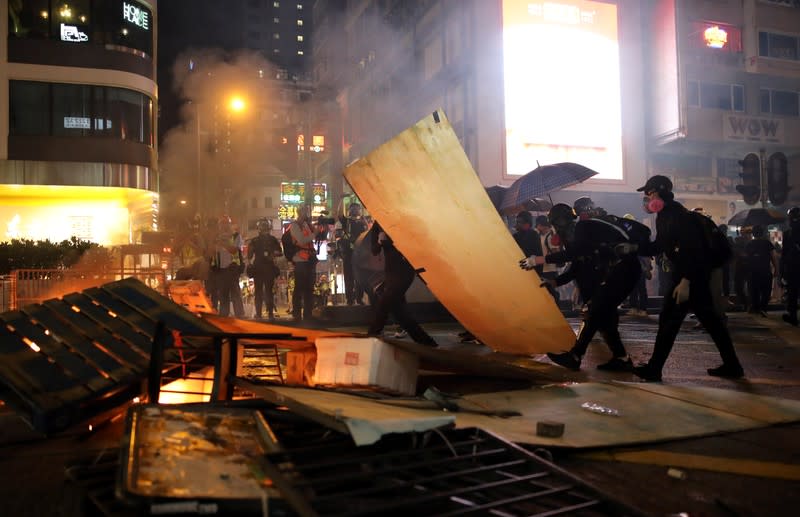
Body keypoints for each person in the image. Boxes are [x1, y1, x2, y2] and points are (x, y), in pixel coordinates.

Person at [628, 175, 744, 381]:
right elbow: (659, 246)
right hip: (691, 276)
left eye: (648, 194)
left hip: (688, 277)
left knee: (669, 322)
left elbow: (693, 250)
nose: (646, 199)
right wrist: (634, 248)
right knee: (712, 323)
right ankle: (733, 365)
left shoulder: (677, 216)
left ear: (658, 193)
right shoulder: (665, 215)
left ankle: (654, 369)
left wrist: (686, 281)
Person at [520, 203, 641, 371]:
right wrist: (554, 282)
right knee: (604, 318)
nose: (554, 229)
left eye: (554, 224)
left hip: (624, 269)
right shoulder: (577, 237)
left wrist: (537, 260)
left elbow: (574, 254)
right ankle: (621, 358)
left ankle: (575, 355)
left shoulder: (582, 229)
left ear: (562, 221)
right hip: (617, 271)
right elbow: (576, 266)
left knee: (595, 310)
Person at [367, 221, 437, 346]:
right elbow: (374, 251)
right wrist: (379, 241)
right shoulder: (378, 225)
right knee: (399, 311)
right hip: (390, 271)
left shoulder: (397, 219)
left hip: (405, 270)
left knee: (385, 303)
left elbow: (415, 240)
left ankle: (371, 335)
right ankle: (426, 341)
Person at [210, 215, 245, 318]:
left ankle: (239, 314)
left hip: (232, 269)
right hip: (220, 270)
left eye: (226, 224)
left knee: (235, 293)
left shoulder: (236, 236)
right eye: (222, 224)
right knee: (223, 294)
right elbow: (212, 253)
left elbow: (234, 250)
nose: (223, 226)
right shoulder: (216, 237)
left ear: (229, 225)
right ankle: (224, 315)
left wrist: (222, 243)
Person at [287, 205, 318, 322]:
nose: (307, 215)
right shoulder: (294, 226)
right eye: (305, 212)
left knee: (309, 289)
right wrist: (314, 233)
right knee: (299, 288)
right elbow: (302, 240)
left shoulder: (306, 225)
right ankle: (296, 314)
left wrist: (317, 231)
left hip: (309, 260)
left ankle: (308, 314)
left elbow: (310, 240)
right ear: (301, 213)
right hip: (300, 261)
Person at [247, 219, 283, 319]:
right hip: (268, 268)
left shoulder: (254, 241)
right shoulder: (273, 240)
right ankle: (270, 314)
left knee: (259, 292)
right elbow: (280, 252)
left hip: (259, 268)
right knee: (268, 291)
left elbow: (249, 255)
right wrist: (272, 255)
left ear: (259, 229)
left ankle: (259, 314)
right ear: (269, 228)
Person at [337, 196, 369, 305]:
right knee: (349, 276)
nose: (355, 210)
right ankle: (350, 299)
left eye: (357, 208)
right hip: (349, 253)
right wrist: (342, 200)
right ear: (349, 211)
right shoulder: (347, 221)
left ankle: (359, 298)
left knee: (360, 277)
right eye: (353, 208)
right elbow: (339, 214)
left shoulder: (363, 221)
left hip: (360, 253)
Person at [744, 225, 777, 316]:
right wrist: (776, 269)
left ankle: (756, 307)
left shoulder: (749, 244)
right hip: (765, 270)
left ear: (753, 233)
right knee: (766, 290)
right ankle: (763, 308)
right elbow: (773, 257)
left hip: (753, 271)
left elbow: (745, 258)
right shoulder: (767, 243)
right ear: (762, 233)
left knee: (754, 290)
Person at [623, 213, 651, 317]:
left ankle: (642, 309)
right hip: (632, 265)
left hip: (639, 266)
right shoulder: (633, 234)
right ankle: (634, 308)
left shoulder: (638, 235)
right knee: (634, 288)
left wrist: (647, 267)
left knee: (640, 288)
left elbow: (644, 253)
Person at [535, 215, 561, 303]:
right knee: (545, 290)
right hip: (543, 268)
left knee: (549, 289)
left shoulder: (550, 236)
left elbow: (555, 251)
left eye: (537, 225)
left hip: (550, 269)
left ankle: (556, 302)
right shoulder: (540, 235)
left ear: (541, 225)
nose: (537, 227)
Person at [781, 207, 800, 326]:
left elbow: (784, 254)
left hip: (793, 267)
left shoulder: (788, 233)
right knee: (792, 292)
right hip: (792, 267)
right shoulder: (787, 233)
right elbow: (784, 253)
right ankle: (792, 315)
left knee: (792, 292)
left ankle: (793, 316)